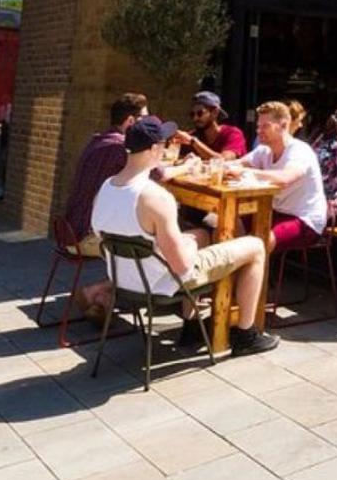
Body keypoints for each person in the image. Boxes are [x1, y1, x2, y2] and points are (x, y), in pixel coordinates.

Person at [90, 116, 279, 355]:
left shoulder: (105, 188)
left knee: (199, 234)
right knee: (255, 246)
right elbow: (181, 266)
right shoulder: (155, 197)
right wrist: (187, 246)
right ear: (154, 149)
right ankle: (246, 334)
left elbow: (102, 238)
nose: (167, 148)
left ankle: (192, 327)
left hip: (125, 279)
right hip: (162, 283)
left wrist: (187, 241)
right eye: (164, 144)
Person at [63, 92, 150, 255]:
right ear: (131, 121)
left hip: (69, 229)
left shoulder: (100, 139)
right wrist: (189, 165)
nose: (146, 123)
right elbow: (159, 175)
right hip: (86, 237)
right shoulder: (120, 146)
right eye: (144, 119)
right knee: (149, 241)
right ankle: (131, 279)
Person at [240, 101, 329, 252]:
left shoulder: (300, 151)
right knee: (227, 222)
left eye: (265, 126)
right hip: (275, 212)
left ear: (283, 125)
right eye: (258, 126)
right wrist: (207, 165)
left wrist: (245, 172)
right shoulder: (264, 150)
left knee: (261, 242)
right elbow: (236, 164)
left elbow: (284, 179)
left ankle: (251, 273)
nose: (258, 131)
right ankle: (229, 274)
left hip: (304, 219)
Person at [183, 91, 247, 160]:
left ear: (215, 113)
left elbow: (223, 160)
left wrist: (193, 141)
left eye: (200, 113)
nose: (195, 118)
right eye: (192, 114)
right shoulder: (193, 135)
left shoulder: (233, 133)